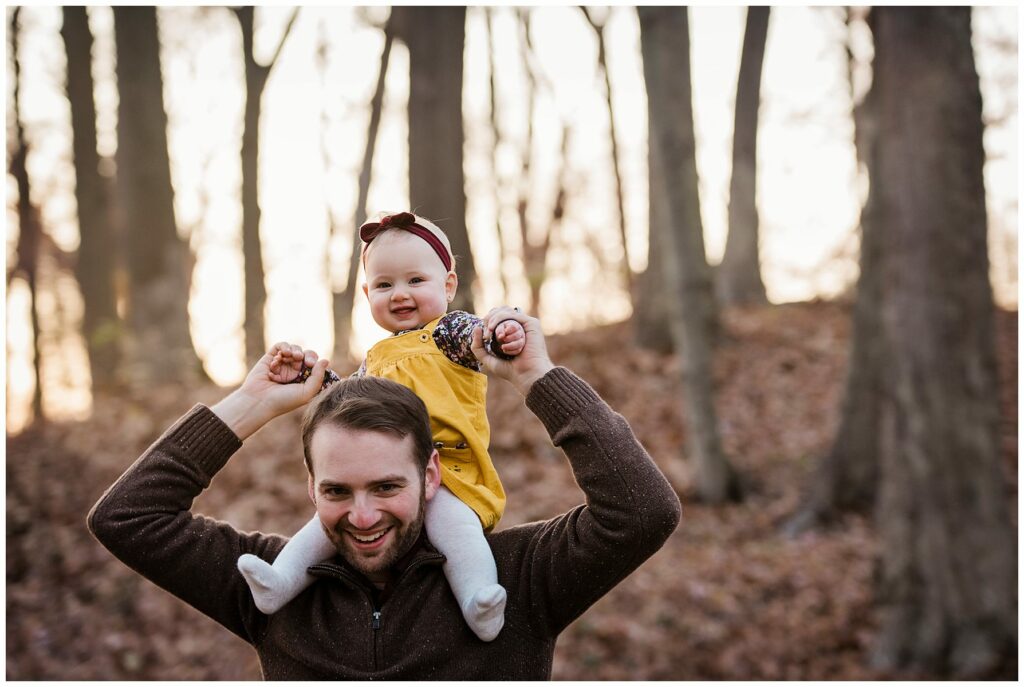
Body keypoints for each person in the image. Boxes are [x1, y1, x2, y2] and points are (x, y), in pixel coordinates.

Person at [88, 309, 682, 679]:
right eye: (337, 491)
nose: (363, 515)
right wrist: (250, 404)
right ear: (312, 487)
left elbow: (642, 511)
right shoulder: (273, 588)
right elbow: (128, 516)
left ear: (431, 476)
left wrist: (535, 377)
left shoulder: (515, 582)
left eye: (387, 486)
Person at [236, 211, 525, 641]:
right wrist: (311, 378)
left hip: (448, 473)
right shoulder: (375, 359)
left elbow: (480, 336)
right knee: (323, 527)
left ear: (448, 286)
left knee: (456, 530)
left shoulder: (448, 332)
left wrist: (504, 327)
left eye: (415, 281)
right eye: (385, 285)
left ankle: (479, 599)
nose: (400, 294)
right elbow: (348, 402)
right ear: (368, 293)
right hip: (379, 475)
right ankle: (279, 583)